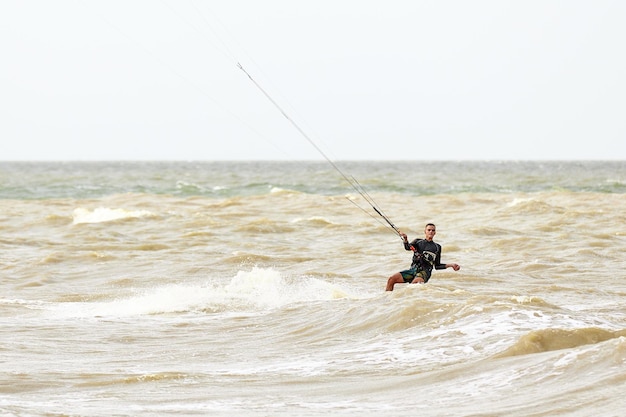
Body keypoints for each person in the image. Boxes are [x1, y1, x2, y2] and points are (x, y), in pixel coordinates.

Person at [386, 223, 460, 291]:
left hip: (424, 272)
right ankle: (387, 301)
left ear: (435, 233)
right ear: (425, 231)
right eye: (429, 230)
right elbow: (408, 248)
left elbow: (437, 266)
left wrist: (451, 265)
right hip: (413, 270)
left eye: (433, 230)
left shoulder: (437, 247)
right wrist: (405, 239)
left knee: (414, 286)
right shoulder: (418, 242)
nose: (431, 231)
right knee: (391, 279)